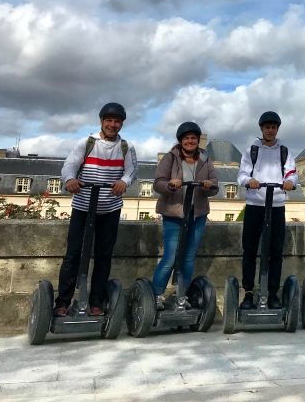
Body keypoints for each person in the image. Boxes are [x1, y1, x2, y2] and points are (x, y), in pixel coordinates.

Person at [54, 102, 138, 316]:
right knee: (73, 254)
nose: (112, 124)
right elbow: (69, 165)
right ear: (101, 121)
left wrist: (124, 182)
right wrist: (70, 179)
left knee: (103, 256)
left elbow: (131, 172)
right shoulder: (87, 142)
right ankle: (63, 301)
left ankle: (96, 302)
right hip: (83, 206)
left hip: (109, 208)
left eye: (116, 121)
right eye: (108, 120)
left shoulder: (126, 147)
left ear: (122, 124)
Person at [151, 121, 219, 309]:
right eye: (186, 138)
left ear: (198, 141)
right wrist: (170, 185)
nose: (190, 141)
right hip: (174, 213)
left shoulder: (205, 160)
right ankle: (156, 294)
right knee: (171, 256)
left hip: (197, 215)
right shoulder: (170, 158)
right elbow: (158, 183)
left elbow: (215, 185)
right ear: (181, 141)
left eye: (193, 138)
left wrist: (208, 186)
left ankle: (182, 294)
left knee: (188, 256)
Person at [236, 111, 298, 309]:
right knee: (250, 250)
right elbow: (242, 174)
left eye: (273, 127)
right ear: (261, 129)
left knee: (276, 251)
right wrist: (250, 181)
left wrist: (289, 182)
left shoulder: (284, 151)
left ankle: (272, 293)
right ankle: (248, 292)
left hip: (277, 204)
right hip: (255, 204)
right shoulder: (251, 150)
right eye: (267, 127)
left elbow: (292, 173)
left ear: (277, 129)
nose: (270, 130)